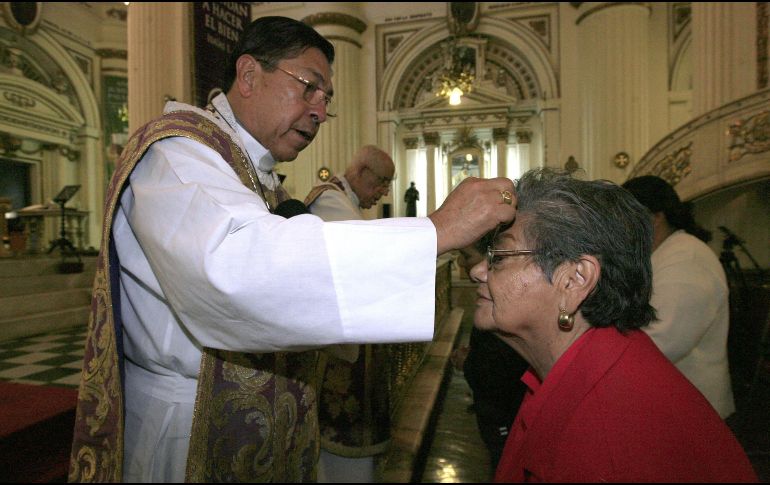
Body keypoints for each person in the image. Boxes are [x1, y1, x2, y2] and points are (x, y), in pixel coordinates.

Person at [68, 16, 516, 483]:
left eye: (327, 99)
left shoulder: (255, 174)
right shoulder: (177, 151)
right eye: (309, 88)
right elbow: (237, 270)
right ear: (248, 75)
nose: (320, 111)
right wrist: (436, 230)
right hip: (186, 429)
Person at [469, 168, 757, 482]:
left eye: (500, 256)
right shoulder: (580, 369)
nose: (478, 271)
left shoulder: (608, 428)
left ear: (574, 280)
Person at [303, 145, 395, 482]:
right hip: (336, 354)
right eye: (382, 182)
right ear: (360, 173)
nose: (384, 191)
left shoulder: (345, 203)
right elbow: (366, 259)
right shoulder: (329, 200)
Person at [622, 175, 735, 419]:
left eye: (627, 218)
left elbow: (661, 342)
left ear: (656, 218)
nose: (621, 228)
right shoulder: (665, 253)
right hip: (670, 401)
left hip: (695, 411)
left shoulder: (687, 260)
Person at [451, 236, 528, 470]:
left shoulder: (507, 311)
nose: (468, 268)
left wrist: (468, 362)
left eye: (467, 256)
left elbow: (499, 372)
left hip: (503, 415)